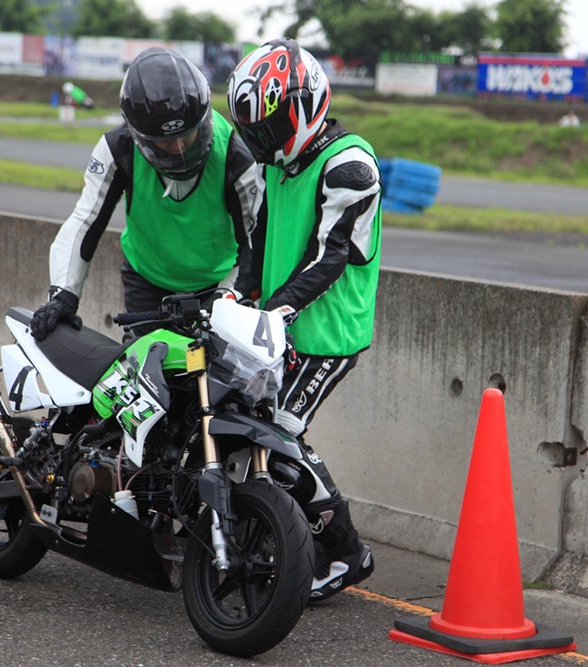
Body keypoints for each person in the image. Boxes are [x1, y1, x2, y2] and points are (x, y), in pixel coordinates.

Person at [227, 38, 381, 601]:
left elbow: (328, 256)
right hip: (278, 328)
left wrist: (272, 309)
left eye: (268, 128)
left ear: (302, 104)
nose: (261, 142)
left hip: (328, 333)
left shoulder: (350, 165)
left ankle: (343, 553)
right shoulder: (280, 164)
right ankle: (285, 538)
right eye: (254, 132)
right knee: (247, 428)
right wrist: (240, 296)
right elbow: (258, 240)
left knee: (281, 438)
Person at [29, 47, 261, 341]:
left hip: (217, 280)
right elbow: (85, 221)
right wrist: (63, 295)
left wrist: (225, 301)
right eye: (165, 142)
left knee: (214, 378)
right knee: (143, 377)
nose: (178, 149)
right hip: (147, 281)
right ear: (138, 136)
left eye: (187, 135)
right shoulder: (117, 149)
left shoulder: (235, 157)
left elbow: (254, 246)